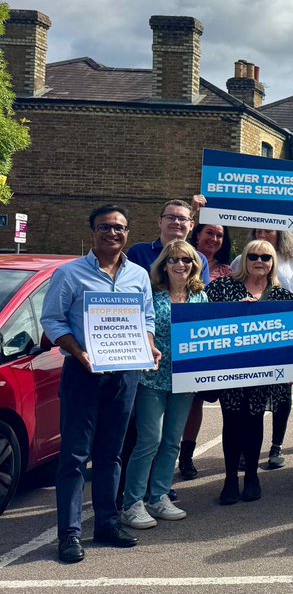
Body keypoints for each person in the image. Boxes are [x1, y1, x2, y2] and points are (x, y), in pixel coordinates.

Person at [41, 205, 160, 564]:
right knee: (75, 457)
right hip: (84, 374)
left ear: (128, 233)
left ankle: (107, 524)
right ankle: (69, 534)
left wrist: (150, 345)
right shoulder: (70, 274)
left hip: (124, 373)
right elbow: (52, 320)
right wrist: (79, 353)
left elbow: (147, 316)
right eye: (105, 227)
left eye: (120, 228)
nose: (113, 233)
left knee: (111, 453)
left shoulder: (138, 275)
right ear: (92, 231)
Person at [119, 240, 206, 530]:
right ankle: (132, 503)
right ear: (163, 265)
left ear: (195, 265)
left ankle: (158, 496)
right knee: (149, 441)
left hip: (185, 380)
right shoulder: (153, 295)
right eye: (173, 260)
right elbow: (141, 328)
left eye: (186, 260)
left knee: (171, 441)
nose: (180, 265)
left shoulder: (199, 297)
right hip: (152, 379)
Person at [231, 217, 293, 463]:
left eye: (270, 229)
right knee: (250, 391)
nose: (264, 233)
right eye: (260, 229)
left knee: (282, 393)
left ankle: (276, 447)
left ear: (280, 233)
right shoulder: (240, 260)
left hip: (286, 334)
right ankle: (246, 448)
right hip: (251, 337)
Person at [206, 240, 293, 504]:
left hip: (263, 373)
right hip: (230, 370)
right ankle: (230, 479)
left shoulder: (282, 295)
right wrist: (238, 312)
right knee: (232, 422)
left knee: (254, 421)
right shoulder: (223, 287)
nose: (260, 261)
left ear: (273, 264)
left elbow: (291, 335)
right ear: (244, 260)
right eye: (253, 256)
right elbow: (204, 320)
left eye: (266, 257)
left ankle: (252, 477)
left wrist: (289, 365)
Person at [177, 220, 231, 481]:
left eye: (220, 235)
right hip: (183, 342)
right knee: (179, 403)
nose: (214, 238)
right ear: (196, 234)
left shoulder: (228, 271)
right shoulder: (181, 261)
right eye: (209, 232)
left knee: (198, 401)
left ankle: (186, 455)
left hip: (214, 345)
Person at [127, 200, 211, 282]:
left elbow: (202, 291)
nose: (176, 222)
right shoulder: (138, 253)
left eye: (182, 219)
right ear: (160, 222)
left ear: (191, 225)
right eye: (170, 217)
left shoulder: (199, 259)